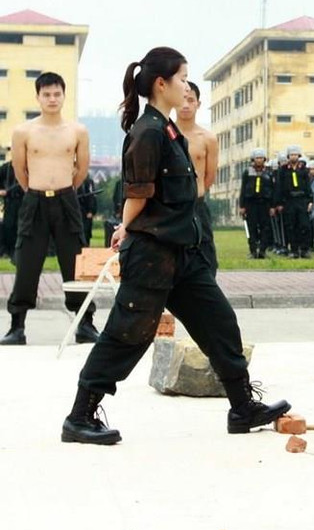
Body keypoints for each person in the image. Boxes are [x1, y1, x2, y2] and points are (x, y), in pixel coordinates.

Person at [62, 47, 290, 445]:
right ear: (161, 83)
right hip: (152, 254)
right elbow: (138, 191)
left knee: (219, 323)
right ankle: (79, 416)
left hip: (184, 254)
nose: (187, 87)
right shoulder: (147, 132)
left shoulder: (167, 129)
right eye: (182, 78)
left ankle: (241, 407)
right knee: (128, 333)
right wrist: (124, 228)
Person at [2, 72, 99, 346]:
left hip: (67, 200)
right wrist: (36, 189)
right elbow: (20, 170)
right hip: (34, 201)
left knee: (75, 263)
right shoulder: (24, 131)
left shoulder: (77, 131)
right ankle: (17, 326)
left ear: (64, 96)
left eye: (57, 93)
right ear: (38, 97)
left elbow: (81, 169)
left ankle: (85, 325)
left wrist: (65, 188)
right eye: (47, 94)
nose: (52, 99)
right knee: (27, 263)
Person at [175, 81, 219, 274]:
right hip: (172, 206)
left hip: (197, 204)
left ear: (198, 104)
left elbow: (209, 176)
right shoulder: (164, 134)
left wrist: (196, 191)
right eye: (182, 99)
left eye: (190, 100)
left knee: (206, 255)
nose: (185, 105)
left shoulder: (208, 138)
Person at [275, 145, 312, 258]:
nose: (293, 157)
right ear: (288, 156)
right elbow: (279, 187)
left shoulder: (303, 170)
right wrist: (279, 203)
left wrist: (310, 201)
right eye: (291, 155)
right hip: (289, 201)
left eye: (295, 155)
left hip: (302, 200)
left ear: (299, 156)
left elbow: (308, 186)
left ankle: (304, 249)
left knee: (304, 225)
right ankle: (294, 249)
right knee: (291, 226)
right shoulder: (283, 170)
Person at [239, 148, 274, 258]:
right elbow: (243, 190)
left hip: (265, 203)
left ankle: (263, 250)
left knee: (265, 228)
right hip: (251, 203)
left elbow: (274, 190)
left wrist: (273, 206)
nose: (259, 160)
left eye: (261, 158)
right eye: (257, 158)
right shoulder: (247, 172)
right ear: (253, 159)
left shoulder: (269, 172)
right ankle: (253, 251)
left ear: (264, 159)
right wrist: (242, 206)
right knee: (251, 227)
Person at [76, 174, 98, 246]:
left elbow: (92, 197)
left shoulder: (89, 182)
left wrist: (91, 211)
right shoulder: (73, 181)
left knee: (86, 230)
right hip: (76, 209)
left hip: (86, 210)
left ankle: (85, 245)